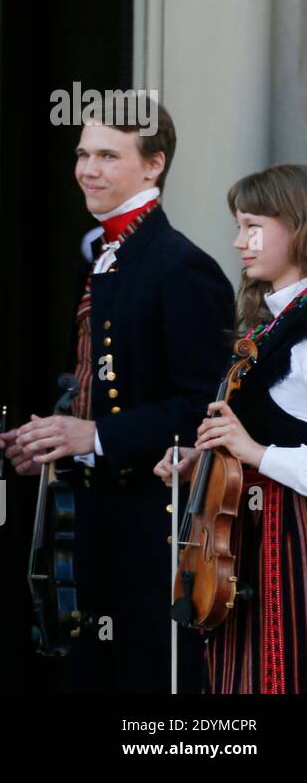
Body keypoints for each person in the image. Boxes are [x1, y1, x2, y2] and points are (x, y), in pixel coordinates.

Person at [0, 100, 232, 692]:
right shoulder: (108, 257)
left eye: (107, 155)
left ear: (154, 166)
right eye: (82, 153)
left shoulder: (181, 267)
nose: (87, 169)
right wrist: (55, 438)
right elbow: (100, 385)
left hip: (153, 535)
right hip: (96, 528)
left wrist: (94, 436)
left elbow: (206, 410)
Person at [154, 163, 307, 694]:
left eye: (253, 225)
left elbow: (272, 447)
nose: (239, 241)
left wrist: (254, 450)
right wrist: (208, 461)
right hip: (252, 540)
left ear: (298, 224)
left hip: (293, 543)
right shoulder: (269, 325)